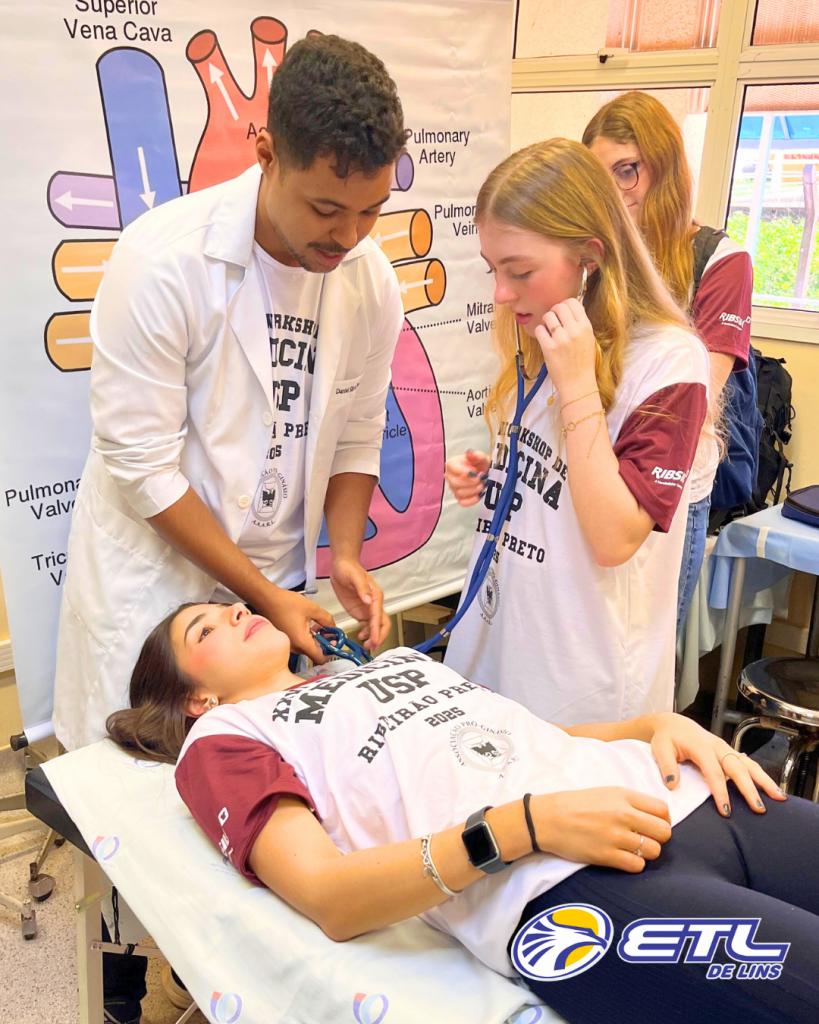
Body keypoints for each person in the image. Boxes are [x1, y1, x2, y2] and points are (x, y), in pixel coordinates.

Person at [54, 35, 406, 1024]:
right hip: (157, 589)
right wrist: (265, 598)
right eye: (325, 208)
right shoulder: (164, 259)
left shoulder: (367, 278)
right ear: (264, 151)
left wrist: (343, 553)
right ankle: (131, 989)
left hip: (268, 591)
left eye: (371, 210)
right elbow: (143, 466)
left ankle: (221, 994)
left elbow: (356, 430)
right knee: (140, 839)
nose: (348, 236)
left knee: (255, 825)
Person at [106, 600, 819, 1024]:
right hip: (566, 885)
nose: (236, 611)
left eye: (231, 606)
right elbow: (327, 894)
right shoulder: (225, 737)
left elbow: (533, 738)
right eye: (204, 630)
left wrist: (655, 725)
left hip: (684, 793)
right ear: (194, 697)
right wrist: (521, 827)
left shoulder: (392, 665)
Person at [443, 139, 710, 725]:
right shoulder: (540, 334)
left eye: (520, 272)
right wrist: (494, 478)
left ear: (590, 258)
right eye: (493, 269)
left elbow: (614, 538)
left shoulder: (670, 362)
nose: (500, 293)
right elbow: (557, 481)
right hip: (498, 654)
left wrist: (578, 386)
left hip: (582, 689)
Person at [583, 91, 754, 635]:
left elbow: (696, 396)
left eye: (627, 170)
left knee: (643, 646)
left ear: (665, 168)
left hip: (670, 490)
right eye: (600, 175)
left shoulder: (720, 260)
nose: (615, 191)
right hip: (594, 472)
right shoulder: (599, 256)